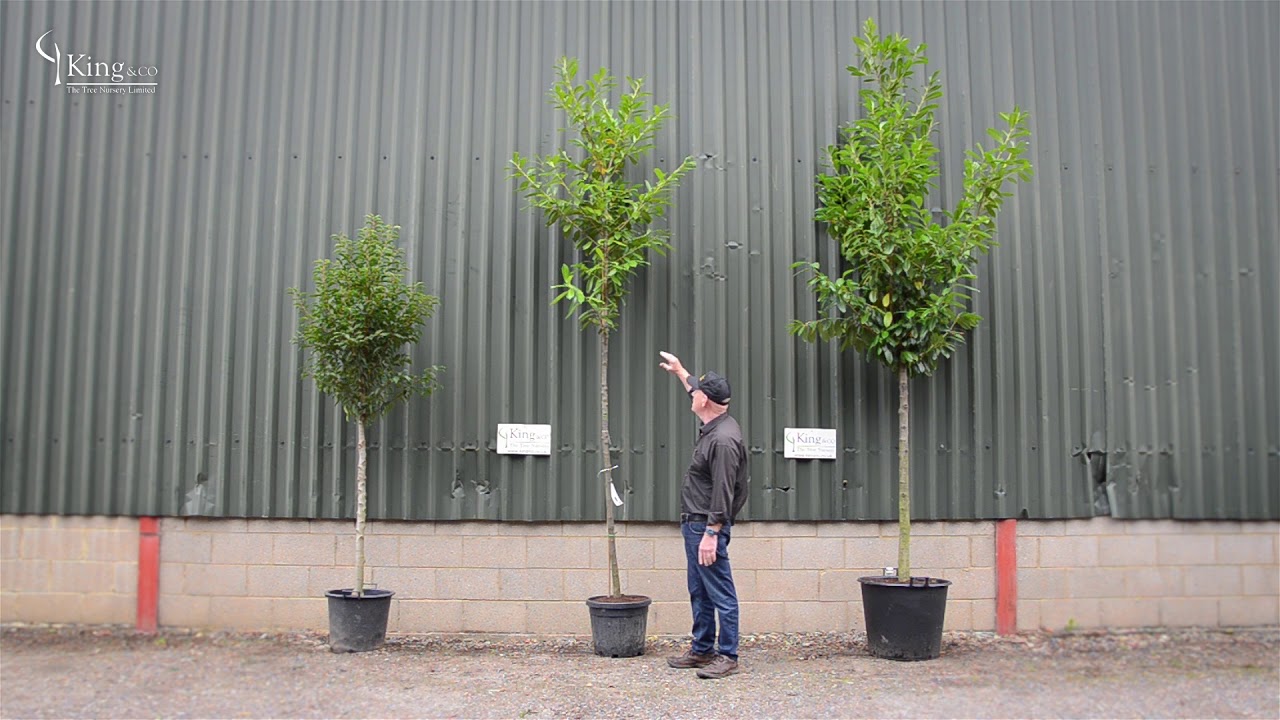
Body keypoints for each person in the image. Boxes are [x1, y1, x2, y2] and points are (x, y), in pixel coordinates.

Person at [658, 350, 749, 679]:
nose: (691, 395)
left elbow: (724, 490)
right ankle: (702, 650)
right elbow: (694, 389)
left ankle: (727, 655)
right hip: (695, 524)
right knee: (699, 589)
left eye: (696, 391)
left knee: (720, 590)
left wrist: (712, 533)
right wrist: (681, 371)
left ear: (706, 401)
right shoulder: (715, 422)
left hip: (705, 527)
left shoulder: (723, 441)